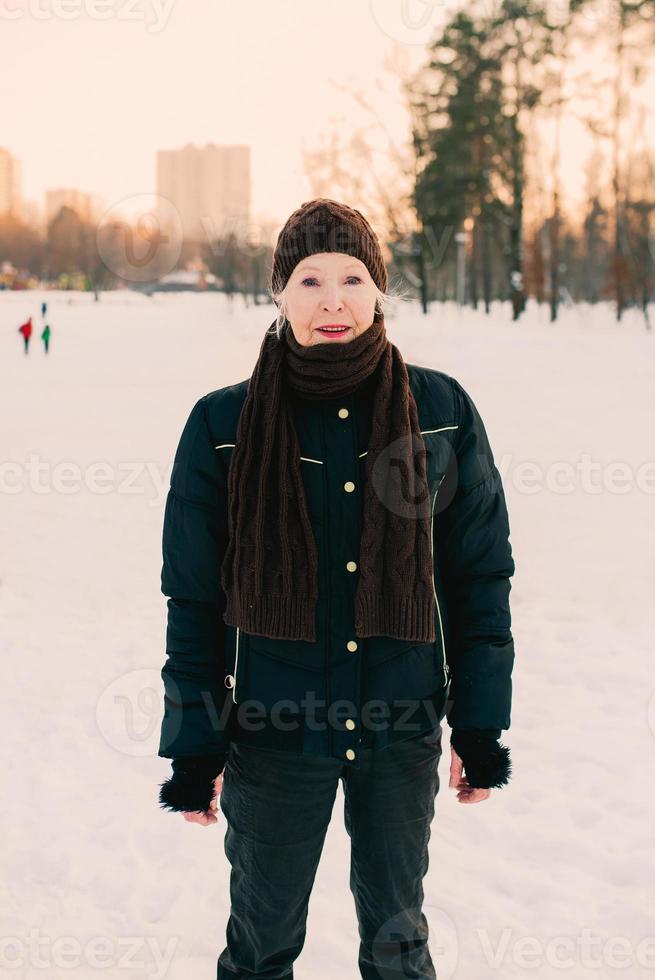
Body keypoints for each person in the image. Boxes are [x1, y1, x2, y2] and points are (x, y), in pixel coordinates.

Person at [156, 199, 516, 979]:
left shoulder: (441, 413)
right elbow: (193, 600)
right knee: (260, 942)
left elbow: (477, 578)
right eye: (308, 279)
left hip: (400, 727)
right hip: (274, 734)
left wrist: (479, 727)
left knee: (398, 944)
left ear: (378, 289)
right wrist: (195, 745)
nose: (332, 300)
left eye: (352, 278)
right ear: (278, 293)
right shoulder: (222, 424)